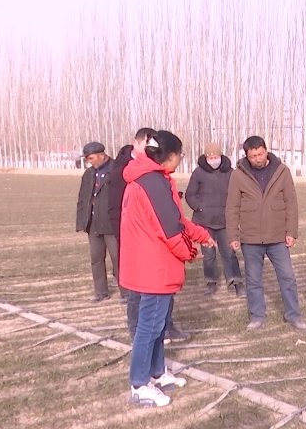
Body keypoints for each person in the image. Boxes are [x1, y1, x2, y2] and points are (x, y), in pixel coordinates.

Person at [119, 130, 215, 407]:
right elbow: (170, 230)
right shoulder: (152, 182)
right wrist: (190, 253)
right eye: (180, 154)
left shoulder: (153, 179)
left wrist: (201, 235)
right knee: (148, 327)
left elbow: (177, 219)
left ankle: (157, 372)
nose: (180, 159)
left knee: (157, 325)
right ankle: (140, 384)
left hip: (151, 264)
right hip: (152, 267)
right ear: (170, 156)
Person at [107, 128, 191, 342]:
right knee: (138, 294)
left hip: (156, 241)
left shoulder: (157, 175)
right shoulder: (129, 171)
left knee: (163, 288)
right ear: (137, 143)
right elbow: (117, 207)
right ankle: (137, 333)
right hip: (136, 240)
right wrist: (188, 251)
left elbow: (170, 217)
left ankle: (166, 327)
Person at [226, 136, 306, 332]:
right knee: (253, 280)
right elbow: (232, 207)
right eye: (253, 156)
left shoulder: (282, 171)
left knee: (287, 277)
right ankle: (257, 316)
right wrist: (233, 235)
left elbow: (291, 203)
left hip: (278, 237)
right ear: (246, 156)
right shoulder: (238, 175)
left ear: (266, 150)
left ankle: (294, 315)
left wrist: (291, 231)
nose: (258, 159)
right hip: (251, 238)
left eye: (260, 154)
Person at [186, 142, 246, 297]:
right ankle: (211, 282)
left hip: (225, 221)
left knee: (229, 253)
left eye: (216, 157)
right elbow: (190, 195)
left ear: (221, 156)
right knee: (208, 255)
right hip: (204, 222)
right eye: (210, 157)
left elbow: (238, 193)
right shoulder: (198, 173)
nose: (213, 160)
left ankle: (236, 281)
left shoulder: (230, 172)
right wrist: (200, 207)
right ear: (206, 158)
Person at [76, 141, 121, 302]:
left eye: (91, 158)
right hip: (93, 223)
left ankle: (126, 292)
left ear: (102, 155)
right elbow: (83, 199)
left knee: (118, 258)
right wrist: (81, 222)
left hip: (111, 223)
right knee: (96, 259)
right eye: (87, 159)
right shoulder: (88, 174)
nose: (90, 162)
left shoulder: (117, 170)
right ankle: (101, 292)